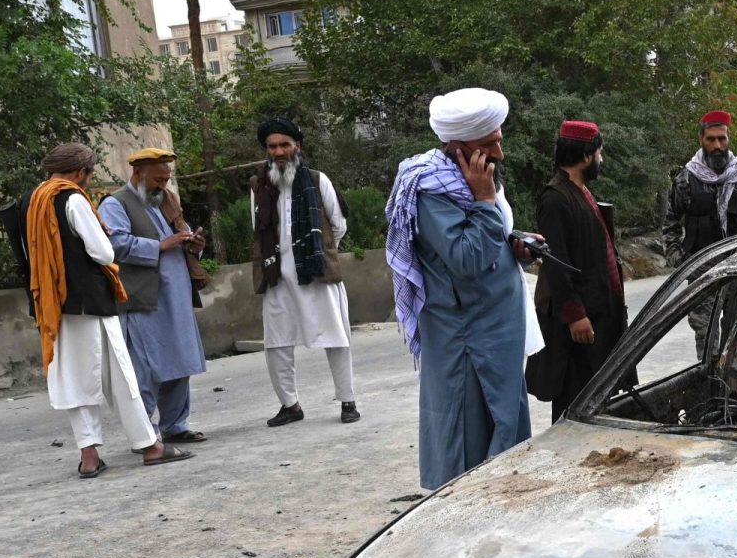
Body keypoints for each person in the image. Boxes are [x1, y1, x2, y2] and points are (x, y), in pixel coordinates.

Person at [6, 142, 190, 477]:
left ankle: (89, 457)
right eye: (88, 175)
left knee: (75, 380)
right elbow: (104, 254)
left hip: (53, 304)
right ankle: (150, 446)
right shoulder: (72, 198)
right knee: (121, 376)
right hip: (91, 301)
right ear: (80, 172)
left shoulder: (29, 201)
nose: (88, 182)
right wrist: (102, 233)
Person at [385, 87, 534, 491]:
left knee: (503, 423)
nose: (499, 153)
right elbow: (466, 259)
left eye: (499, 141)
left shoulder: (470, 178)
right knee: (469, 439)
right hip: (467, 340)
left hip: (493, 334)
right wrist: (485, 203)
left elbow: (486, 242)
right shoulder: (434, 189)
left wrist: (514, 245)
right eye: (489, 145)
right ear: (458, 146)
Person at [99, 148, 208, 444]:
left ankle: (175, 425)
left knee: (179, 361)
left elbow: (179, 237)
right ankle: (146, 433)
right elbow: (114, 244)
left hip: (176, 296)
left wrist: (193, 244)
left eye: (166, 179)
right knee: (145, 367)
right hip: (142, 298)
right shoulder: (115, 203)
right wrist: (161, 245)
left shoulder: (167, 200)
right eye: (158, 179)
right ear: (138, 174)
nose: (163, 185)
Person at [254, 118, 359, 427]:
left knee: (335, 336)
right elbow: (258, 228)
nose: (279, 151)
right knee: (276, 342)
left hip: (316, 272)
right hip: (276, 276)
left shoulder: (316, 179)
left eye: (285, 144)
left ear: (297, 146)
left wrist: (319, 253)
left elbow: (338, 224)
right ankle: (290, 404)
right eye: (272, 146)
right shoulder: (258, 185)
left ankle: (348, 400)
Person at [526, 120, 629, 422]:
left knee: (599, 397)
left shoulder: (580, 191)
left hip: (600, 316)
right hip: (580, 324)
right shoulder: (555, 199)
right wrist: (575, 315)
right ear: (586, 156)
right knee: (574, 401)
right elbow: (557, 265)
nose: (601, 160)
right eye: (599, 153)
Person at [661, 110, 737, 351]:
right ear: (701, 140)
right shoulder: (686, 179)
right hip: (703, 272)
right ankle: (710, 386)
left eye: (722, 139)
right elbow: (670, 224)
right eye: (711, 139)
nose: (717, 145)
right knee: (706, 338)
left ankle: (731, 385)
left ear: (729, 139)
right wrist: (680, 261)